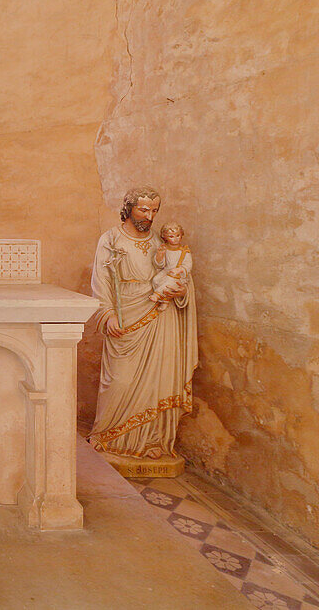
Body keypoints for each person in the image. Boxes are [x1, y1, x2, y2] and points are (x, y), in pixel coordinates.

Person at [88, 186, 198, 461]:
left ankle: (152, 442)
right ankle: (110, 435)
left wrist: (182, 293)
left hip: (162, 317)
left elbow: (182, 276)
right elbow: (100, 282)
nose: (149, 216)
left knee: (158, 382)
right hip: (126, 317)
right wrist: (108, 314)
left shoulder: (161, 244)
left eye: (154, 211)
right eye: (143, 209)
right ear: (129, 208)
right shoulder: (111, 239)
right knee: (120, 381)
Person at [149, 222, 193, 311]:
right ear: (164, 237)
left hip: (178, 275)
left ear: (181, 235)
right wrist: (160, 255)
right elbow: (160, 265)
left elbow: (188, 264)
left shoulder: (184, 251)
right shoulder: (165, 248)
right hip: (167, 271)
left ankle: (157, 296)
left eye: (177, 235)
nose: (175, 239)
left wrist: (179, 269)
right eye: (171, 236)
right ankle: (163, 300)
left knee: (168, 283)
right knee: (156, 280)